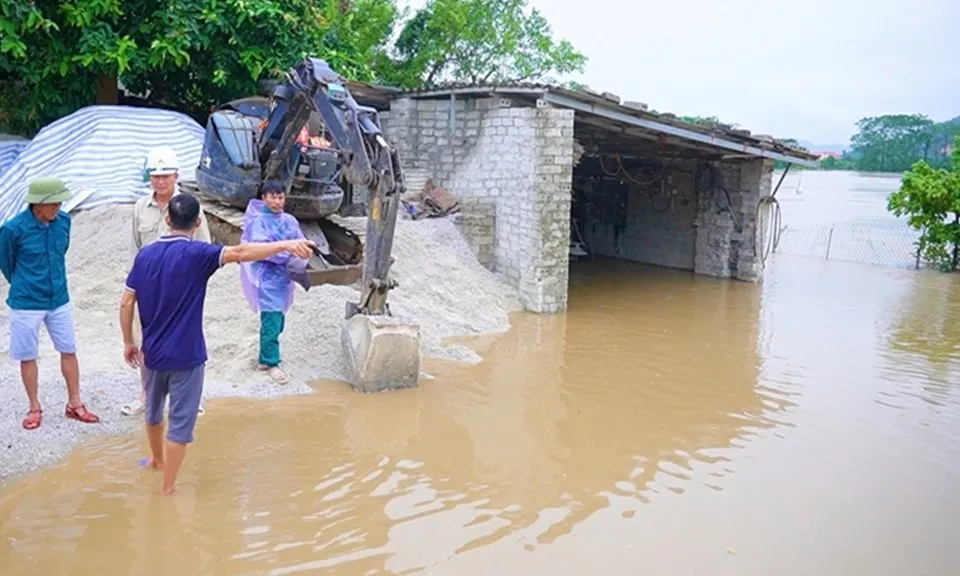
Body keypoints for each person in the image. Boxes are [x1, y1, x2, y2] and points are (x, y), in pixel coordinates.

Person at [119, 192, 315, 495]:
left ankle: (156, 461)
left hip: (152, 354)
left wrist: (129, 342)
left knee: (154, 411)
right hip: (187, 356)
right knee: (181, 424)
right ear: (198, 222)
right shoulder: (200, 254)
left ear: (168, 220)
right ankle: (168, 487)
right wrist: (286, 244)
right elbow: (240, 252)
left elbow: (127, 301)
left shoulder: (145, 256)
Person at [0, 176, 100, 430]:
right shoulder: (13, 229)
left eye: (59, 202)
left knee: (69, 349)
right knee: (28, 354)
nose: (58, 208)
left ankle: (75, 403)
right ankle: (34, 406)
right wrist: (24, 283)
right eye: (53, 203)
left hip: (59, 298)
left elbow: (61, 251)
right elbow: (6, 263)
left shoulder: (64, 222)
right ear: (37, 205)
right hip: (26, 302)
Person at [122, 145, 212, 417]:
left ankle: (188, 398)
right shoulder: (141, 207)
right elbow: (135, 248)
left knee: (185, 340)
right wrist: (133, 286)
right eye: (155, 176)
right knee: (147, 342)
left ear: (176, 176)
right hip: (150, 289)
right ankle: (147, 395)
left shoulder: (189, 208)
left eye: (165, 175)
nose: (160, 181)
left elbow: (204, 247)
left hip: (182, 290)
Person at [240, 180, 310, 384]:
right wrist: (286, 252)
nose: (277, 201)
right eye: (273, 196)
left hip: (284, 278)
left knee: (278, 319)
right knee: (271, 319)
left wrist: (305, 252)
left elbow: (300, 241)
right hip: (267, 277)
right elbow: (261, 249)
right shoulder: (258, 222)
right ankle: (270, 362)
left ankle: (267, 355)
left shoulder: (290, 220)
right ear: (264, 198)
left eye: (280, 197)